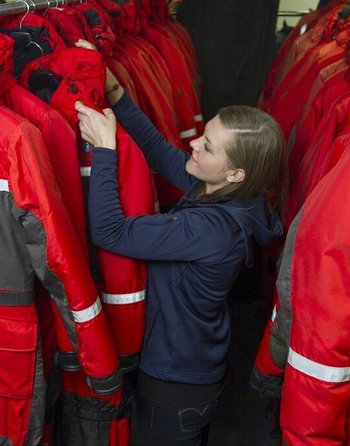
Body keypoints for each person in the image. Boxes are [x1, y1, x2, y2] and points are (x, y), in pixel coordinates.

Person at [73, 40, 286, 445]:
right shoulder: (232, 194)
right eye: (203, 136)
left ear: (236, 172)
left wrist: (104, 150)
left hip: (175, 380)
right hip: (198, 365)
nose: (193, 144)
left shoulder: (210, 229)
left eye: (207, 147)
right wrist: (115, 92)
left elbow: (110, 232)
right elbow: (157, 150)